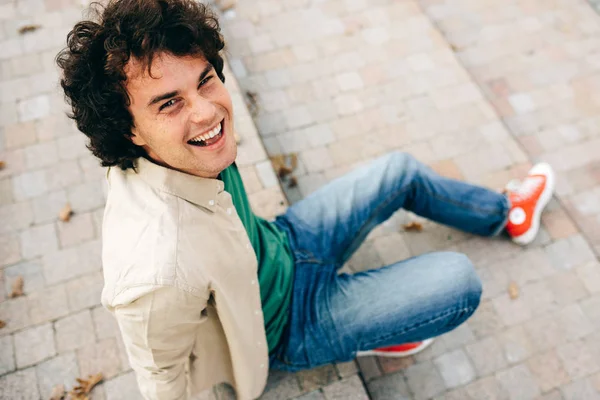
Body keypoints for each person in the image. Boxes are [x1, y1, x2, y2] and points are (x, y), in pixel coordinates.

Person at [56, 0, 554, 399]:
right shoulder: (154, 271)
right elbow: (158, 376)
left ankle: (506, 215)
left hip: (283, 244)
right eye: (170, 103)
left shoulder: (187, 146)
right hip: (291, 327)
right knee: (458, 281)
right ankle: (372, 329)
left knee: (399, 170)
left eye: (205, 79)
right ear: (129, 129)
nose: (208, 112)